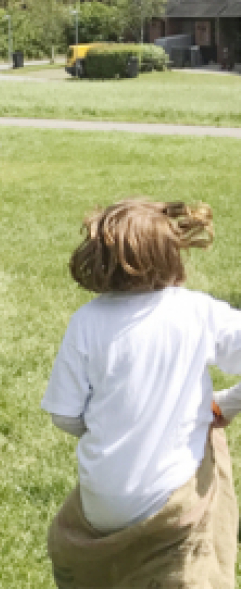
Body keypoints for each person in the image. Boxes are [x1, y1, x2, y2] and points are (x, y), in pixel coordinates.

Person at [43, 199, 241, 586]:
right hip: (174, 497)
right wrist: (227, 404)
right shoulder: (196, 311)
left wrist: (111, 427)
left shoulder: (86, 321)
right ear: (171, 253)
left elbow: (64, 416)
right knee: (210, 458)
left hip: (102, 502)